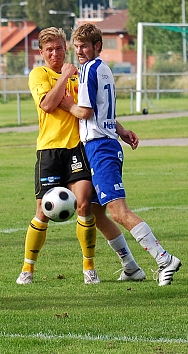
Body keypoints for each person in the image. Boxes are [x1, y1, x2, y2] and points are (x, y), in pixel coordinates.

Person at [17, 27, 138, 286]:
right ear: (41, 53)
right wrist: (64, 77)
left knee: (86, 205)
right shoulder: (40, 74)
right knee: (42, 211)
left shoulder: (82, 74)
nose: (55, 53)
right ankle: (27, 269)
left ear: (66, 49)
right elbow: (48, 105)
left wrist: (121, 130)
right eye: (49, 50)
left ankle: (89, 269)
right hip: (49, 150)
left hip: (78, 148)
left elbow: (95, 109)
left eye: (59, 48)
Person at [63, 23, 182, 286]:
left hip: (100, 147)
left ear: (98, 47)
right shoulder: (104, 69)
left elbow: (86, 111)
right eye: (77, 46)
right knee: (95, 211)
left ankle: (164, 259)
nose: (80, 51)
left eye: (85, 46)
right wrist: (122, 129)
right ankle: (130, 266)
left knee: (118, 211)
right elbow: (106, 111)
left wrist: (63, 102)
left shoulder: (87, 71)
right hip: (104, 142)